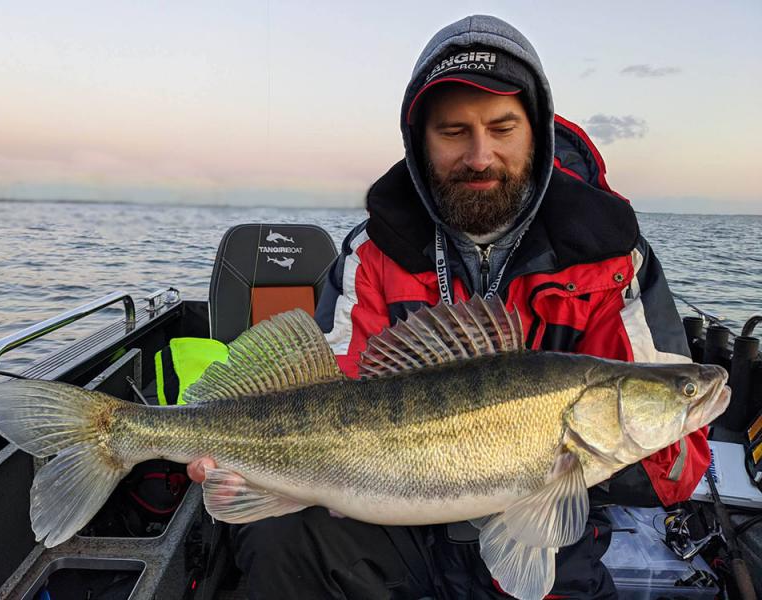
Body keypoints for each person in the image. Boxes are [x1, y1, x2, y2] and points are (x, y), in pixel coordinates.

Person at [188, 14, 710, 599]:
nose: (480, 155)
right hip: (387, 519)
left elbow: (680, 466)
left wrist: (561, 461)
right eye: (454, 131)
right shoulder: (375, 252)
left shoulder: (610, 256)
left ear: (536, 134)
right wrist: (249, 462)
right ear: (420, 143)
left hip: (547, 530)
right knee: (279, 535)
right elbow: (328, 382)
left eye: (502, 127)